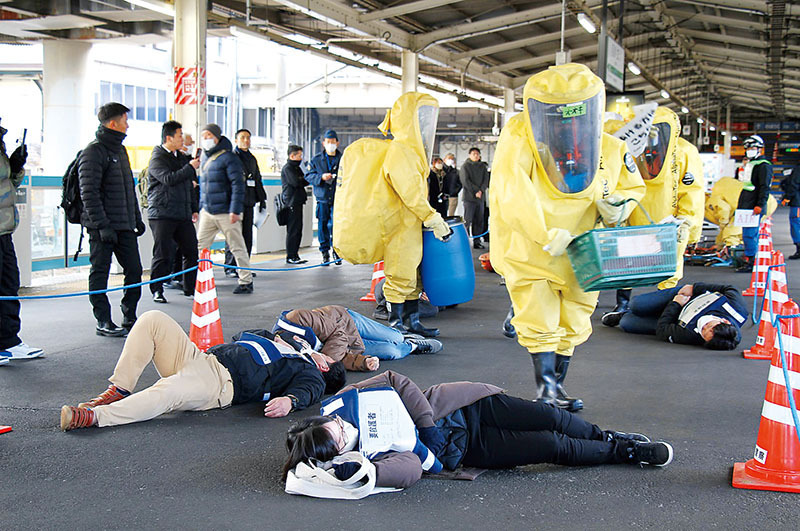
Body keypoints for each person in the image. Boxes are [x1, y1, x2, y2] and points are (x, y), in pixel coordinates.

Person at [489, 63, 646, 410]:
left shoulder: (609, 148)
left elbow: (632, 187)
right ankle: (546, 390)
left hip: (585, 252)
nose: (569, 125)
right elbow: (511, 192)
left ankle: (557, 385)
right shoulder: (522, 139)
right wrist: (542, 232)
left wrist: (619, 206)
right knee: (539, 316)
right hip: (533, 251)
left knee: (575, 316)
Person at [283, 371, 674, 490]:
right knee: (551, 446)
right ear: (335, 451)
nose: (339, 427)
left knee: (549, 415)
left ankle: (608, 438)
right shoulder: (361, 460)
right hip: (470, 449)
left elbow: (396, 381)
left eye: (331, 424)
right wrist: (369, 473)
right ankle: (626, 453)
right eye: (336, 436)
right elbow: (409, 470)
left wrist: (425, 425)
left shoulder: (345, 400)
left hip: (464, 404)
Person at [59, 310, 346, 431]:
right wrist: (275, 339)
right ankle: (118, 389)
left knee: (167, 392)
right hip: (200, 358)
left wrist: (290, 402)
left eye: (327, 358)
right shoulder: (291, 348)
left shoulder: (309, 373)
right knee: (152, 319)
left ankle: (94, 417)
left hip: (219, 383)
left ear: (325, 365)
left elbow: (309, 392)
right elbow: (242, 335)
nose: (322, 353)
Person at [334, 92, 451, 338]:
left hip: (408, 224)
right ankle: (397, 324)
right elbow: (408, 190)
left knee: (410, 272)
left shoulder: (410, 151)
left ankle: (411, 321)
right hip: (398, 224)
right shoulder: (402, 151)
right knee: (400, 273)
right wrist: (431, 217)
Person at [601, 106, 705, 326]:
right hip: (638, 215)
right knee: (628, 262)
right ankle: (623, 304)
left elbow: (692, 189)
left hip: (668, 221)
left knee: (669, 266)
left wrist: (688, 222)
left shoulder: (684, 153)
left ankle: (665, 306)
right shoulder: (633, 149)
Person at [79, 102, 146, 337]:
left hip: (125, 225)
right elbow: (88, 192)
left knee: (135, 270)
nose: (127, 125)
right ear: (113, 123)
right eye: (125, 120)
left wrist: (136, 218)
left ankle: (129, 315)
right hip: (102, 228)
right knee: (100, 272)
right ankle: (103, 320)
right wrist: (101, 225)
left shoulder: (120, 151)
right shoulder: (93, 152)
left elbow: (130, 189)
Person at [274, 305, 442, 371]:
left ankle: (403, 336)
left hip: (346, 321)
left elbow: (337, 334)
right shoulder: (297, 360)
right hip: (343, 346)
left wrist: (328, 358)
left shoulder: (295, 318)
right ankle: (413, 346)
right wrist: (363, 362)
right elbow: (335, 359)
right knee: (392, 351)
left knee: (395, 337)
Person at [0, 118, 43, 364]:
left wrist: (16, 166)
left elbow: (8, 184)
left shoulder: (0, 142)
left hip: (5, 228)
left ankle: (9, 341)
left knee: (8, 284)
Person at [146, 120, 200, 304]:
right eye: (179, 135)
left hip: (182, 213)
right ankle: (157, 288)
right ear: (168, 138)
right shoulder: (157, 158)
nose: (182, 139)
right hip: (162, 213)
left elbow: (189, 185)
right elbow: (169, 179)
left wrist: (193, 208)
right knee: (163, 253)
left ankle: (190, 288)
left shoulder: (182, 158)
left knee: (191, 251)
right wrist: (190, 167)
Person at [196, 123, 253, 294]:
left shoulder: (229, 157)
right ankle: (201, 279)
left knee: (237, 246)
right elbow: (203, 186)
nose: (205, 139)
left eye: (208, 136)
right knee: (200, 246)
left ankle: (246, 280)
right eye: (203, 136)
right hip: (208, 210)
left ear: (217, 137)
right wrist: (201, 207)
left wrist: (235, 210)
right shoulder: (205, 157)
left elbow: (238, 185)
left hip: (226, 212)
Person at [605, 283, 747, 351]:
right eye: (708, 326)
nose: (703, 326)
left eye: (703, 332)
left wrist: (675, 305)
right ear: (725, 320)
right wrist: (695, 288)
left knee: (627, 323)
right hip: (685, 296)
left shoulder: (690, 336)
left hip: (675, 312)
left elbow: (662, 330)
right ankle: (636, 308)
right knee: (636, 304)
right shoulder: (737, 307)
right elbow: (729, 288)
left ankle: (622, 315)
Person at [223, 129, 267, 276]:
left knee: (247, 236)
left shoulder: (252, 158)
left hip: (249, 201)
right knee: (234, 235)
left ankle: (244, 266)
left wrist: (261, 199)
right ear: (236, 140)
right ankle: (231, 266)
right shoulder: (231, 158)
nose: (246, 140)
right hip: (235, 203)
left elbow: (257, 179)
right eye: (242, 138)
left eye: (248, 138)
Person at [736, 135, 773, 273]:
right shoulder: (750, 164)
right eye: (748, 148)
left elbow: (765, 187)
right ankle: (751, 259)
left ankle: (751, 261)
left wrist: (760, 204)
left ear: (759, 149)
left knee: (749, 234)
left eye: (753, 148)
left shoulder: (763, 166)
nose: (750, 150)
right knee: (748, 233)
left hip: (753, 206)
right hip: (746, 205)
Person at [306, 130, 341, 265]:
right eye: (328, 142)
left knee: (337, 226)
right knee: (323, 225)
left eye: (333, 142)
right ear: (323, 143)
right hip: (322, 198)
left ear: (337, 143)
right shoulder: (316, 160)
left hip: (338, 198)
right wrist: (320, 177)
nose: (331, 144)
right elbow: (308, 176)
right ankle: (324, 252)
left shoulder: (343, 159)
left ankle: (337, 252)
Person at [282, 144, 308, 265]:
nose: (301, 158)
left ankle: (295, 254)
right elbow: (296, 182)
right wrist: (303, 179)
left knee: (298, 229)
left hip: (298, 202)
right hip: (291, 203)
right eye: (299, 155)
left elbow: (304, 180)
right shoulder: (288, 168)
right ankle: (290, 255)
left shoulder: (296, 168)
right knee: (293, 230)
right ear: (292, 155)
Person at [460, 147, 490, 249]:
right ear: (469, 155)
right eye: (473, 154)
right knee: (468, 220)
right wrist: (476, 191)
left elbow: (486, 180)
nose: (475, 155)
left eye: (477, 154)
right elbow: (465, 181)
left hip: (480, 198)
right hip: (469, 198)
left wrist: (481, 190)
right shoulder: (465, 166)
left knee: (479, 220)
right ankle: (465, 241)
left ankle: (477, 241)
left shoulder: (483, 167)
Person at [780, 161, 800, 259]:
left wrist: (787, 197)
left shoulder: (798, 169)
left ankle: (799, 249)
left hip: (798, 202)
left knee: (796, 224)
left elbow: (794, 184)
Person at [443, 153, 461, 217]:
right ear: (444, 160)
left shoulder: (456, 171)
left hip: (453, 196)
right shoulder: (441, 170)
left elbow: (460, 183)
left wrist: (455, 191)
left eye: (452, 159)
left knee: (451, 215)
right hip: (442, 196)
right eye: (449, 159)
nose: (450, 160)